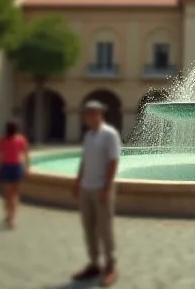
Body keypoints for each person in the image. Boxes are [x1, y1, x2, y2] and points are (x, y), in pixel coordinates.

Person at [71, 100, 122, 287]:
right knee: (88, 227)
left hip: (101, 188)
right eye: (87, 114)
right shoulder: (88, 136)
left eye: (93, 113)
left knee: (104, 229)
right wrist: (77, 181)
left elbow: (114, 162)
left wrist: (107, 188)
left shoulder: (110, 134)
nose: (90, 117)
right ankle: (94, 264)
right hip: (86, 188)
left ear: (101, 115)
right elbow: (84, 160)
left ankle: (110, 266)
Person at [0, 121, 30, 228]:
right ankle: (11, 217)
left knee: (8, 195)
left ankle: (10, 217)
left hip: (7, 167)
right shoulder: (20, 139)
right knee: (13, 195)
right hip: (15, 167)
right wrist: (27, 167)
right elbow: (26, 154)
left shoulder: (2, 140)